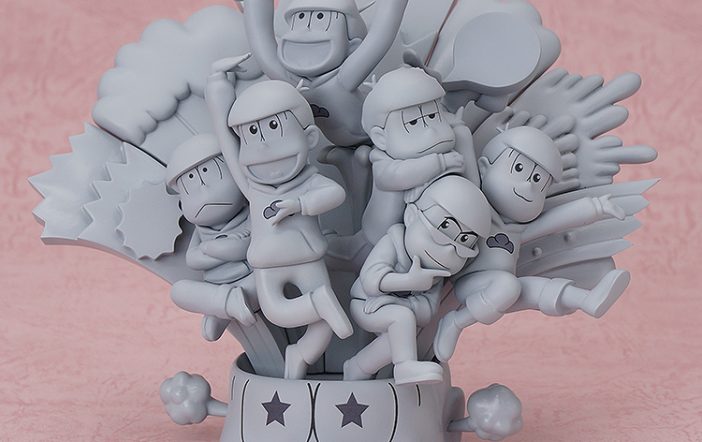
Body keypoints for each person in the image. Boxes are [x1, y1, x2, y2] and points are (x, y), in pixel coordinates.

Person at [206, 57, 352, 379]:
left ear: (310, 139)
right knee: (276, 311)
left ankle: (300, 355)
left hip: (308, 259)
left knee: (322, 328)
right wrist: (218, 83)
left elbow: (334, 194)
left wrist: (299, 204)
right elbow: (225, 140)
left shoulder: (309, 181)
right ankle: (319, 303)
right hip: (267, 265)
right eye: (252, 134)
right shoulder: (253, 189)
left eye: (275, 129)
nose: (264, 147)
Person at [434, 126, 631, 362]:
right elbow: (467, 171)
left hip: (501, 289)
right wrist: (460, 130)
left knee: (534, 288)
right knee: (508, 285)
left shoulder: (517, 230)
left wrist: (596, 207)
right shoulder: (477, 208)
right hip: (470, 282)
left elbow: (555, 221)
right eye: (518, 169)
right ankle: (455, 322)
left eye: (537, 181)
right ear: (485, 168)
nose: (528, 186)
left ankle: (586, 300)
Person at [344, 175, 491, 385]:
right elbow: (370, 280)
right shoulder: (393, 242)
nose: (450, 249)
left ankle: (356, 367)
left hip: (392, 312)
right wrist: (409, 282)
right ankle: (405, 366)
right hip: (365, 304)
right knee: (402, 319)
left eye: (464, 240)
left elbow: (426, 311)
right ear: (412, 216)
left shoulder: (436, 273)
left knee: (398, 338)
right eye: (445, 227)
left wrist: (396, 301)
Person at [167, 134, 256, 341]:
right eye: (190, 186)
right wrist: (220, 249)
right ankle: (225, 305)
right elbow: (193, 260)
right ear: (181, 203)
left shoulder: (250, 215)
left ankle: (224, 308)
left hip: (250, 278)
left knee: (267, 278)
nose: (203, 188)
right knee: (178, 291)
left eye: (210, 174)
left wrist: (212, 250)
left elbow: (246, 248)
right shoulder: (200, 231)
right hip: (215, 287)